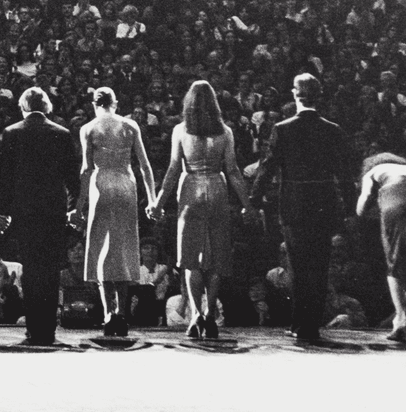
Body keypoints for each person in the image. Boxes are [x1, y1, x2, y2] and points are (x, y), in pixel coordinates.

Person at [249, 73, 351, 346]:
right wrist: (350, 207)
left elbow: (268, 167)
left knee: (297, 265)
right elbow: (344, 173)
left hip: (293, 204)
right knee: (319, 265)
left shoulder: (283, 128)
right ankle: (311, 324)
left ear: (295, 94)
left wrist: (254, 200)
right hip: (323, 204)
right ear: (318, 95)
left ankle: (298, 322)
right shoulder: (333, 129)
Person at [154, 80, 258, 340]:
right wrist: (248, 205)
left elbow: (173, 169)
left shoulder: (180, 130)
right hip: (217, 187)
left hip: (190, 189)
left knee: (191, 260)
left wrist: (158, 202)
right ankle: (210, 314)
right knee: (216, 257)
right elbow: (233, 170)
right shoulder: (225, 131)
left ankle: (196, 315)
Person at [0, 87, 80, 345]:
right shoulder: (62, 134)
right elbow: (72, 178)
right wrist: (72, 208)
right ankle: (49, 329)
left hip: (24, 211)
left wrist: (3, 211)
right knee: (50, 270)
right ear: (47, 107)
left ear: (23, 106)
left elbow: (5, 178)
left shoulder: (11, 133)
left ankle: (33, 328)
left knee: (31, 269)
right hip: (53, 211)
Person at [75, 87, 157, 337]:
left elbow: (86, 169)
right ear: (116, 103)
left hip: (101, 185)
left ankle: (107, 313)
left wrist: (78, 206)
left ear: (94, 104)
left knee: (100, 246)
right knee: (122, 246)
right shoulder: (129, 125)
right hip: (125, 185)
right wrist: (152, 198)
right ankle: (121, 311)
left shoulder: (88, 128)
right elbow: (144, 165)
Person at [357, 153, 406, 342]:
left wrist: (361, 210)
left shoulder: (373, 172)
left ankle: (400, 317)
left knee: (394, 262)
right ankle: (403, 313)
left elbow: (364, 200)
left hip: (396, 203)